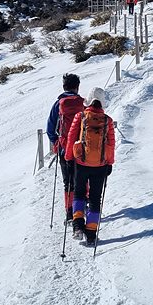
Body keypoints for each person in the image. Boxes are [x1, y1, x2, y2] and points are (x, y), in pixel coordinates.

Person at [65, 86, 115, 246]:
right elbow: (111, 144)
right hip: (100, 165)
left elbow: (71, 137)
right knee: (95, 198)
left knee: (79, 194)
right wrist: (109, 163)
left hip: (81, 162)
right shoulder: (108, 120)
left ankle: (78, 226)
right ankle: (92, 234)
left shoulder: (80, 116)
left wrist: (68, 157)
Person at [46, 73, 84, 222]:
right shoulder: (82, 103)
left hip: (64, 149)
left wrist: (57, 144)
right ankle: (81, 209)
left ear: (64, 87)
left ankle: (69, 213)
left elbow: (50, 128)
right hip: (81, 148)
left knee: (68, 182)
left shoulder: (59, 104)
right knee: (81, 180)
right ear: (77, 87)